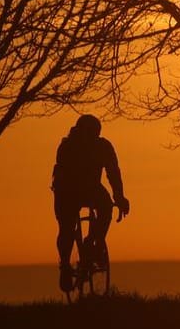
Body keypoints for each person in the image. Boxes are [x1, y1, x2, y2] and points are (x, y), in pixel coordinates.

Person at [52, 114, 130, 292]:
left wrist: (119, 197)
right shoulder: (69, 146)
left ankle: (92, 244)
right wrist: (119, 197)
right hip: (68, 191)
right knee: (66, 228)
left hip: (86, 189)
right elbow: (112, 173)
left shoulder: (100, 146)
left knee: (104, 208)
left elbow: (113, 173)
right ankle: (66, 264)